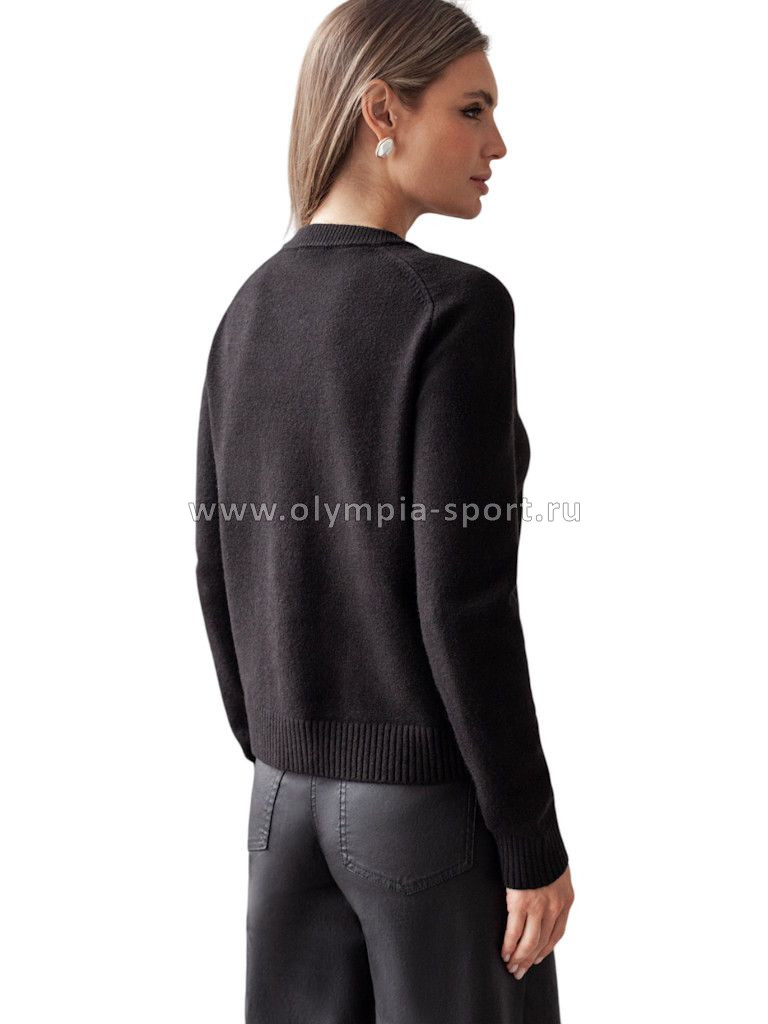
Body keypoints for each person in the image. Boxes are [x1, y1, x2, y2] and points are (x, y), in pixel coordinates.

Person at [194, 1, 575, 1021]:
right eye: (472, 109)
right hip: (426, 814)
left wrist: (277, 740)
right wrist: (530, 840)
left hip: (280, 804)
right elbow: (463, 600)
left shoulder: (249, 310)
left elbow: (215, 560)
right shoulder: (453, 308)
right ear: (382, 113)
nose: (498, 144)